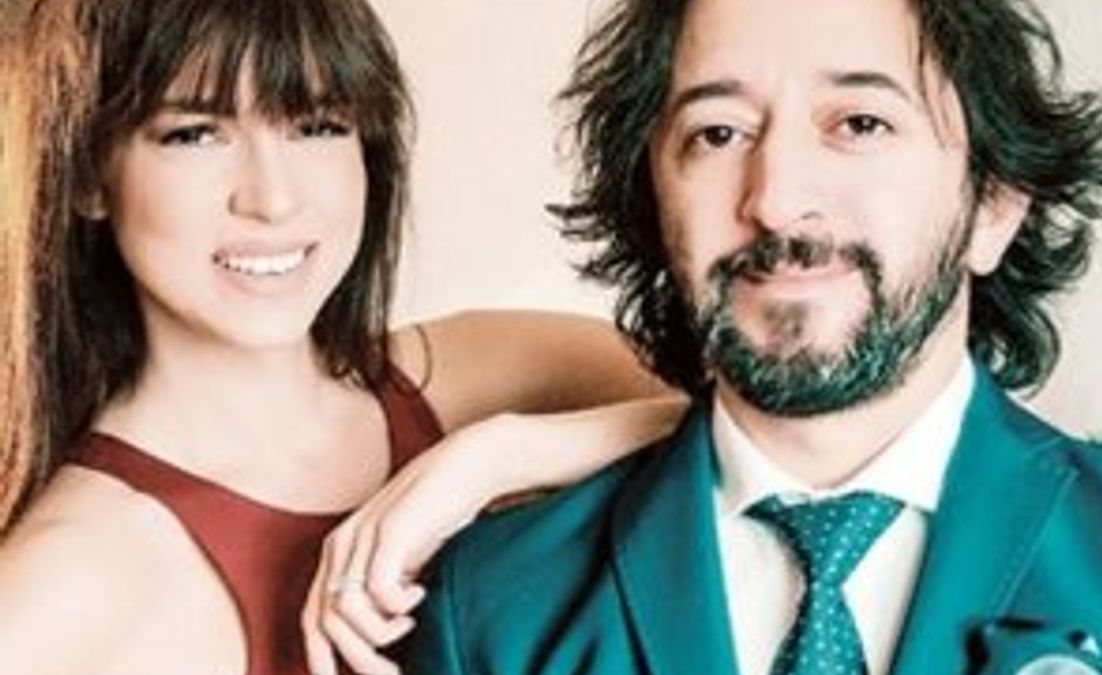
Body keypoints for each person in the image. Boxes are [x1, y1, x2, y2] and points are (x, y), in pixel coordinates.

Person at [393, 0, 1102, 673]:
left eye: (859, 122)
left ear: (992, 205)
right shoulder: (490, 611)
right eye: (718, 133)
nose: (776, 199)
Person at [0, 1, 684, 675]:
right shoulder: (60, 588)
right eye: (196, 134)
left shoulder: (480, 376)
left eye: (317, 126)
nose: (273, 200)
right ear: (88, 175)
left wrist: (498, 458)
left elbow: (743, 422)